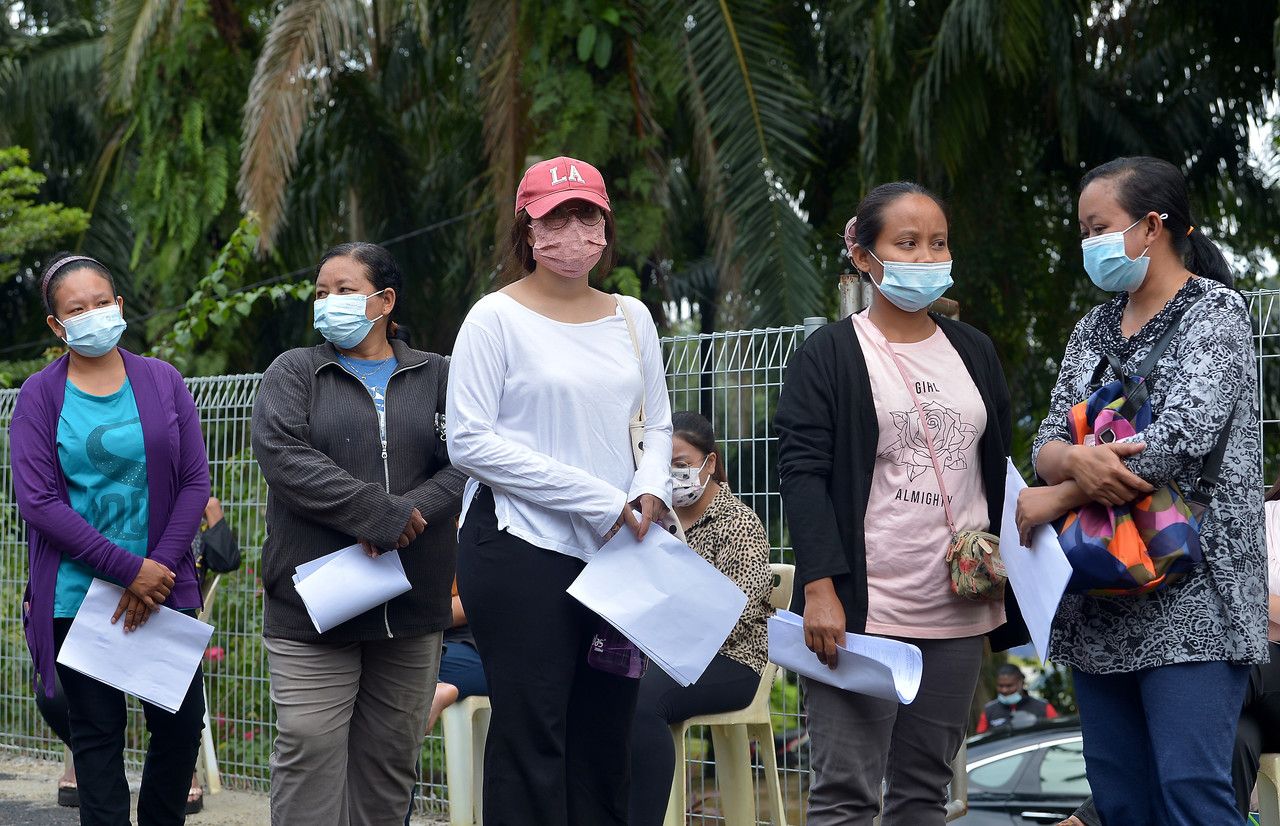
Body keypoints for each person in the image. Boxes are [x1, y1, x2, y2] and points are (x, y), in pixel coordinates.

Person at [1016, 156, 1268, 826]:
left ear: (1152, 226)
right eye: (1082, 230)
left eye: (1096, 227)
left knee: (1191, 792)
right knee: (1121, 798)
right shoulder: (1091, 330)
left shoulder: (1218, 313)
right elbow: (1043, 443)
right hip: (1099, 598)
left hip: (1196, 599)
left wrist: (1058, 495)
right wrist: (1068, 459)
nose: (1086, 244)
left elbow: (1176, 440)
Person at [775, 183, 1028, 826]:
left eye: (937, 243)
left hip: (957, 609)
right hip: (863, 610)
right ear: (865, 255)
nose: (924, 257)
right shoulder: (829, 354)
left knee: (924, 792)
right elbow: (802, 475)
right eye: (906, 243)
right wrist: (820, 588)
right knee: (846, 795)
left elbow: (997, 466)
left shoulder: (973, 350)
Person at [446, 155, 673, 826]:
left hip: (619, 556)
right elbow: (470, 442)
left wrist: (651, 488)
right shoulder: (494, 319)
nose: (574, 233)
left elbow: (657, 421)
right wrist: (601, 500)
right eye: (556, 218)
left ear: (606, 224)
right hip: (520, 548)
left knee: (608, 732)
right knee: (534, 732)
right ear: (528, 229)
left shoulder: (631, 317)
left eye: (588, 216)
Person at [251, 242, 465, 825]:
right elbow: (284, 457)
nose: (328, 303)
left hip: (412, 602)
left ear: (385, 301)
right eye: (321, 293)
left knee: (390, 758)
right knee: (308, 745)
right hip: (314, 605)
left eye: (344, 291)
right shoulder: (295, 370)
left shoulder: (438, 374)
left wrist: (403, 516)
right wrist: (374, 514)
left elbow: (466, 462)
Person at [10, 252, 210, 823]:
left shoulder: (162, 379)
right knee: (98, 740)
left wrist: (155, 571)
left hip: (162, 587)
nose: (94, 314)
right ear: (57, 325)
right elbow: (39, 502)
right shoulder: (39, 398)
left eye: (102, 302)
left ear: (119, 305)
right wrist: (127, 569)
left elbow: (195, 481)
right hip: (79, 599)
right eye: (78, 309)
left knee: (179, 728)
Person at [627, 411, 774, 825]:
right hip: (666, 654)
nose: (673, 476)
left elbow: (734, 613)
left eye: (681, 464)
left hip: (731, 660)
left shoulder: (739, 523)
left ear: (709, 464)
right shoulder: (655, 522)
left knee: (642, 703)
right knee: (603, 690)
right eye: (664, 467)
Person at [428, 579, 488, 732]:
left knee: (402, 670)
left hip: (476, 648)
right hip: (437, 641)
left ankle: (437, 686)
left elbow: (474, 603)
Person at [974, 664, 1058, 733]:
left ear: (1021, 683)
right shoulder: (989, 710)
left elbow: (1057, 732)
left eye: (1009, 686)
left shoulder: (1043, 707)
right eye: (1000, 686)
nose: (1004, 690)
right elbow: (981, 740)